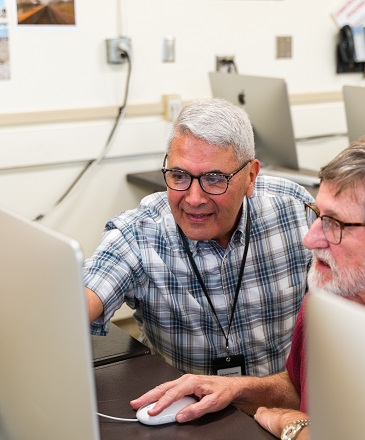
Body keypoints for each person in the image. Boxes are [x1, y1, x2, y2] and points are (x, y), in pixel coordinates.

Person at [129, 133, 365, 440]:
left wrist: (297, 429)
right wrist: (237, 390)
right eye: (316, 215)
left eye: (335, 224)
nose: (310, 238)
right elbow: (302, 388)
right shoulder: (332, 296)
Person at [84, 97, 314, 377]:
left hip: (281, 404)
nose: (194, 199)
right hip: (187, 414)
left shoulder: (295, 212)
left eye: (215, 179)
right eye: (179, 176)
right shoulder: (141, 232)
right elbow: (82, 298)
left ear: (251, 176)